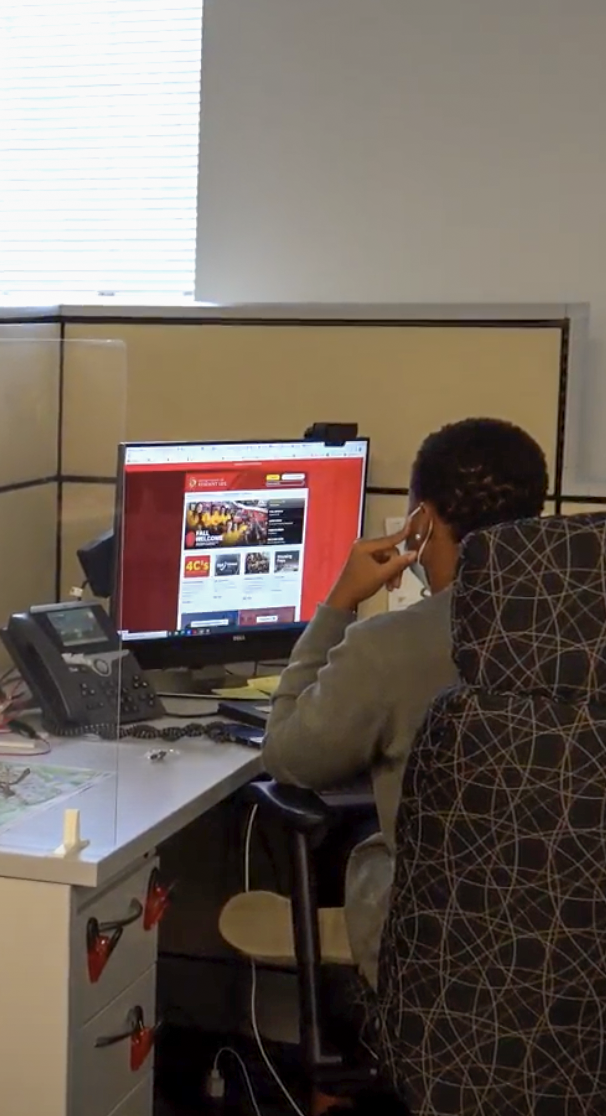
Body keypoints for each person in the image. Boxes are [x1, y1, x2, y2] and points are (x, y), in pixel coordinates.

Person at [220, 418, 548, 990]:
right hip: (571, 943)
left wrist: (341, 601)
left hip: (437, 946)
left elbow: (288, 754)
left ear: (420, 520)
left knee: (356, 842)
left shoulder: (391, 646)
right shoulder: (581, 630)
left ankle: (335, 1073)